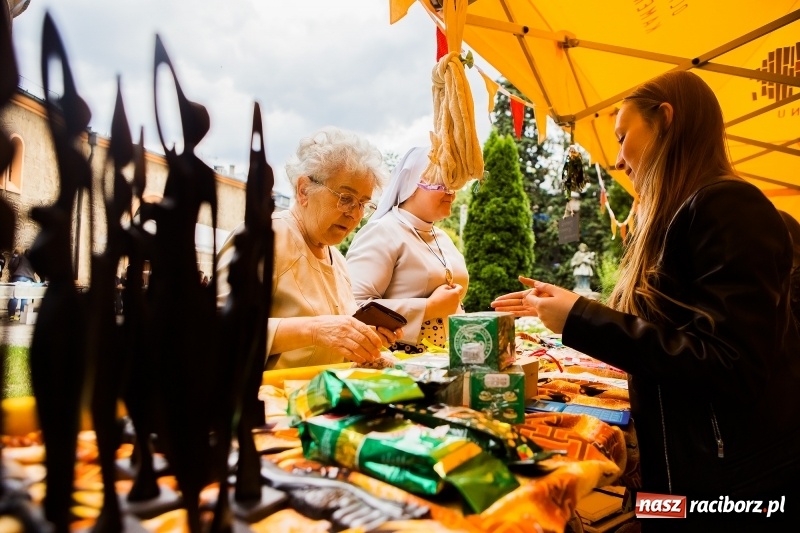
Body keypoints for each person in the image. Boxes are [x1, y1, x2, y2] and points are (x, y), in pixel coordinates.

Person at [491, 71, 800, 517]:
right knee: (651, 518)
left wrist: (580, 319)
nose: (617, 160)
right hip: (679, 472)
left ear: (666, 121)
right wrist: (574, 309)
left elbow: (730, 365)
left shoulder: (728, 206)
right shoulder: (686, 213)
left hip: (730, 488)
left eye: (622, 137)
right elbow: (672, 332)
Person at [216, 126, 400, 369]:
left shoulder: (337, 260)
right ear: (303, 190)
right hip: (265, 403)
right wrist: (314, 329)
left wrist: (360, 338)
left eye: (363, 203)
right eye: (345, 198)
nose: (355, 214)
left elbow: (328, 343)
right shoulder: (263, 239)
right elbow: (216, 331)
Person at [346, 146, 466, 353]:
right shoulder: (382, 231)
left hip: (447, 359)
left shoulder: (443, 238)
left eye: (453, 184)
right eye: (441, 183)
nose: (451, 193)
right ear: (411, 184)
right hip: (400, 368)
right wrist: (428, 309)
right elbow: (353, 306)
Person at [7, 248, 37, 320]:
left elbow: (13, 265)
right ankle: (22, 315)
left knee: (15, 296)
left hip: (19, 277)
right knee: (24, 297)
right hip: (29, 279)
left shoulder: (21, 257)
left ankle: (11, 315)